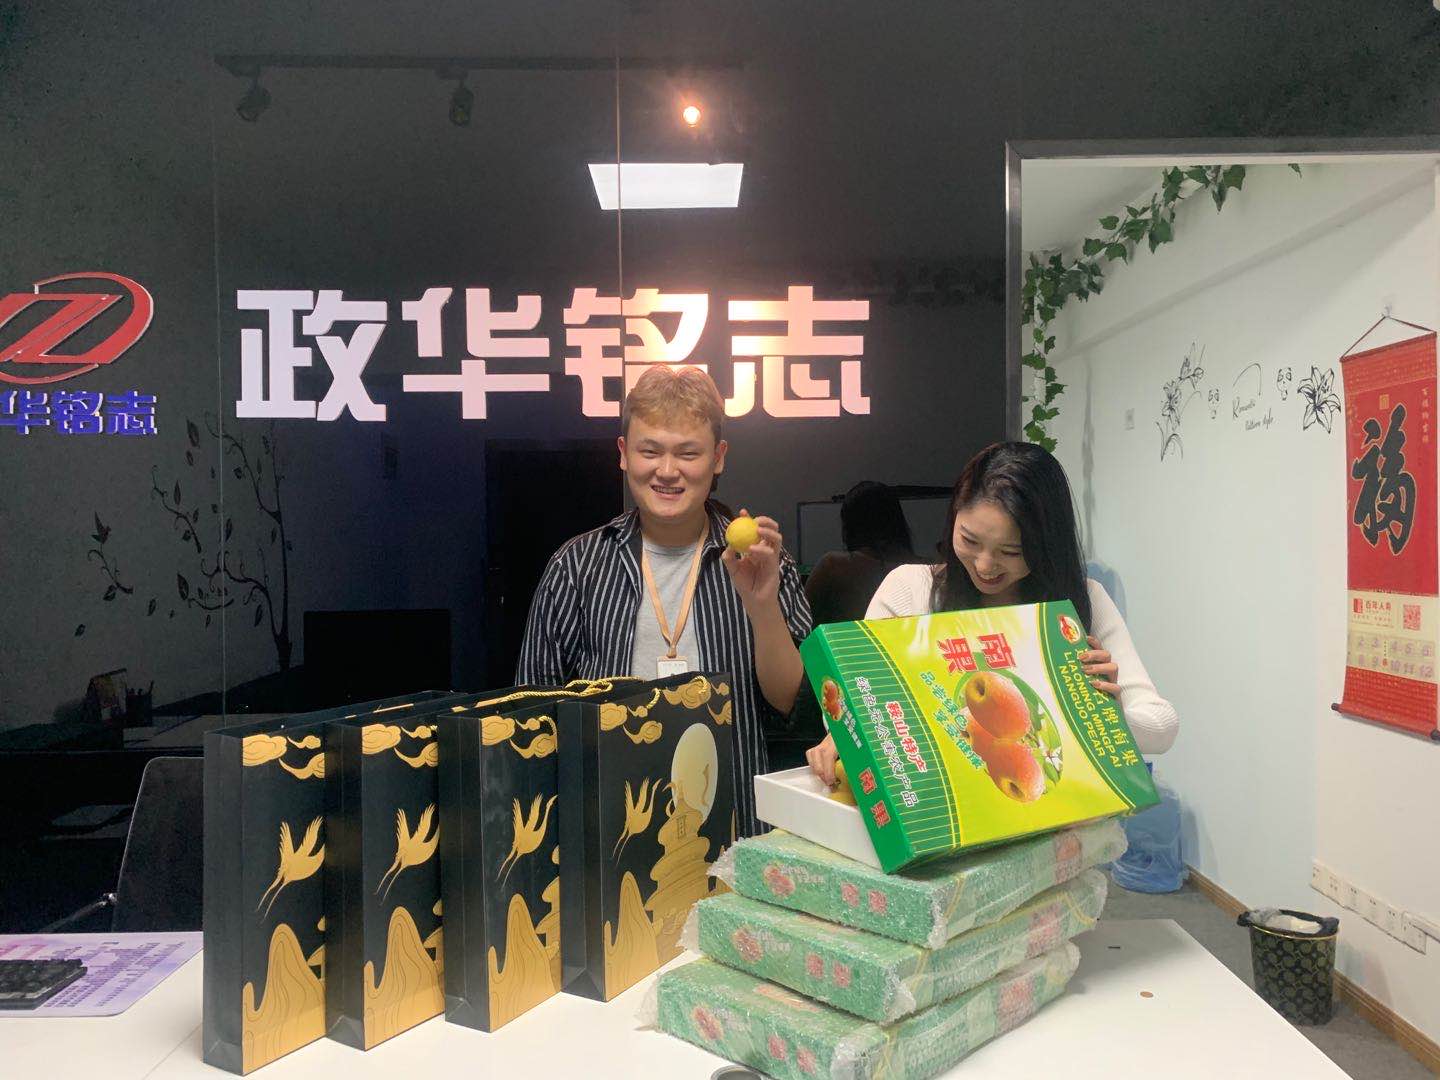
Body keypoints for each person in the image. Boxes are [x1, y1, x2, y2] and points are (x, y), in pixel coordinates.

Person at [517, 366, 812, 837]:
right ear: (623, 453)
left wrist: (762, 607)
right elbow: (533, 716)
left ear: (718, 458)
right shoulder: (576, 567)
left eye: (688, 453)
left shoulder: (760, 562)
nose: (668, 471)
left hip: (737, 828)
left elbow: (793, 706)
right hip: (611, 830)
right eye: (650, 451)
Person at [806, 441, 1178, 785]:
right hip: (943, 805)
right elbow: (847, 702)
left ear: (1047, 545)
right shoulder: (910, 591)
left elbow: (1162, 727)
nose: (985, 565)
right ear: (954, 517)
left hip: (1054, 814)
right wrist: (845, 731)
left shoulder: (1084, 601)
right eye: (969, 540)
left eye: (1011, 552)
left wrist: (1106, 716)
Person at [803, 481, 918, 626]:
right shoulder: (924, 570)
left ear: (850, 524)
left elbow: (802, 621)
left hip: (843, 640)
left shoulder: (833, 566)